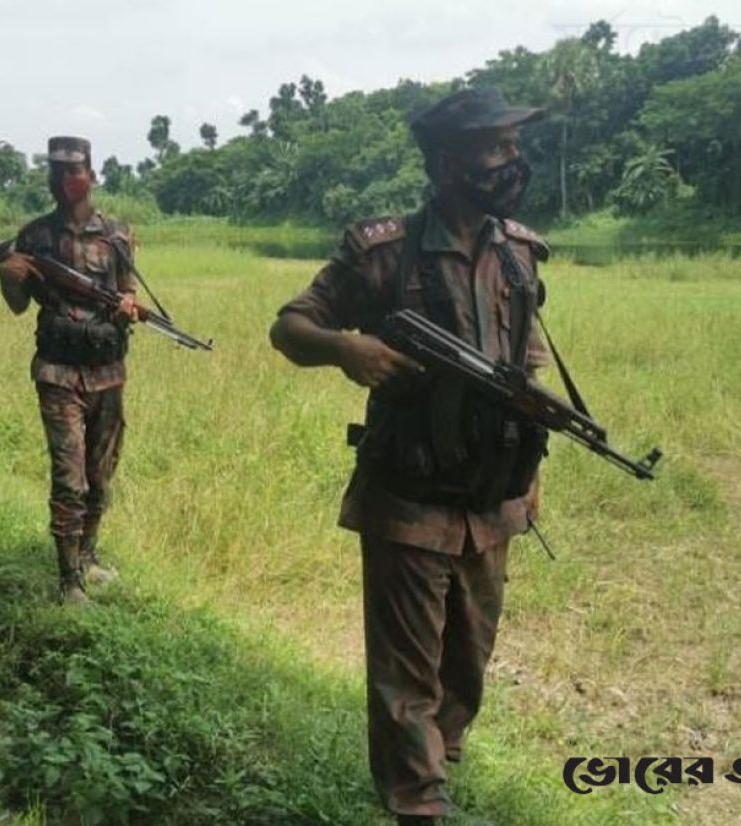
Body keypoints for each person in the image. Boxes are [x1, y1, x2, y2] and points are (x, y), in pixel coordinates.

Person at [269, 87, 553, 825]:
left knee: (467, 665)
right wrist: (346, 349)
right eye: (497, 148)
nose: (511, 163)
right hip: (409, 495)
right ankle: (417, 804)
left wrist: (534, 472)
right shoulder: (384, 254)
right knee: (405, 678)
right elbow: (291, 326)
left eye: (512, 148)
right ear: (446, 162)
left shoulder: (519, 254)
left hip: (491, 501)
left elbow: (528, 364)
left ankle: (433, 778)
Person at [0, 136, 139, 605]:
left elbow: (127, 291)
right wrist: (7, 277)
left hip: (108, 373)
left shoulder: (117, 236)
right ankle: (68, 579)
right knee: (69, 476)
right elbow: (19, 306)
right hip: (58, 374)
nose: (64, 180)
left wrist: (129, 305)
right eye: (56, 172)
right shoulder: (34, 237)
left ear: (91, 176)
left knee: (101, 474)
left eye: (73, 171)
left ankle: (89, 555)